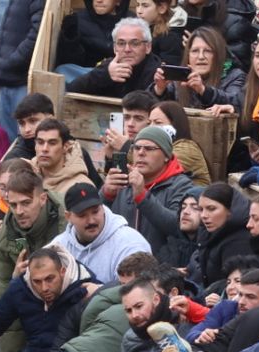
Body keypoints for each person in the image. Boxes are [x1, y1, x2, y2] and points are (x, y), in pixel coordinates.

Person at [105, 125, 195, 266]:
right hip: (120, 267)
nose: (141, 153)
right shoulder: (122, 182)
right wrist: (106, 195)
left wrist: (143, 196)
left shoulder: (181, 185)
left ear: (166, 156)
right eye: (137, 147)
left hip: (159, 271)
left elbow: (177, 226)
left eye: (149, 149)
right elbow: (96, 223)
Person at [67, 16, 157, 94]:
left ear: (148, 47)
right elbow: (71, 90)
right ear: (114, 48)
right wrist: (106, 74)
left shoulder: (156, 72)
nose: (127, 49)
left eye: (135, 43)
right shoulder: (109, 65)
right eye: (121, 43)